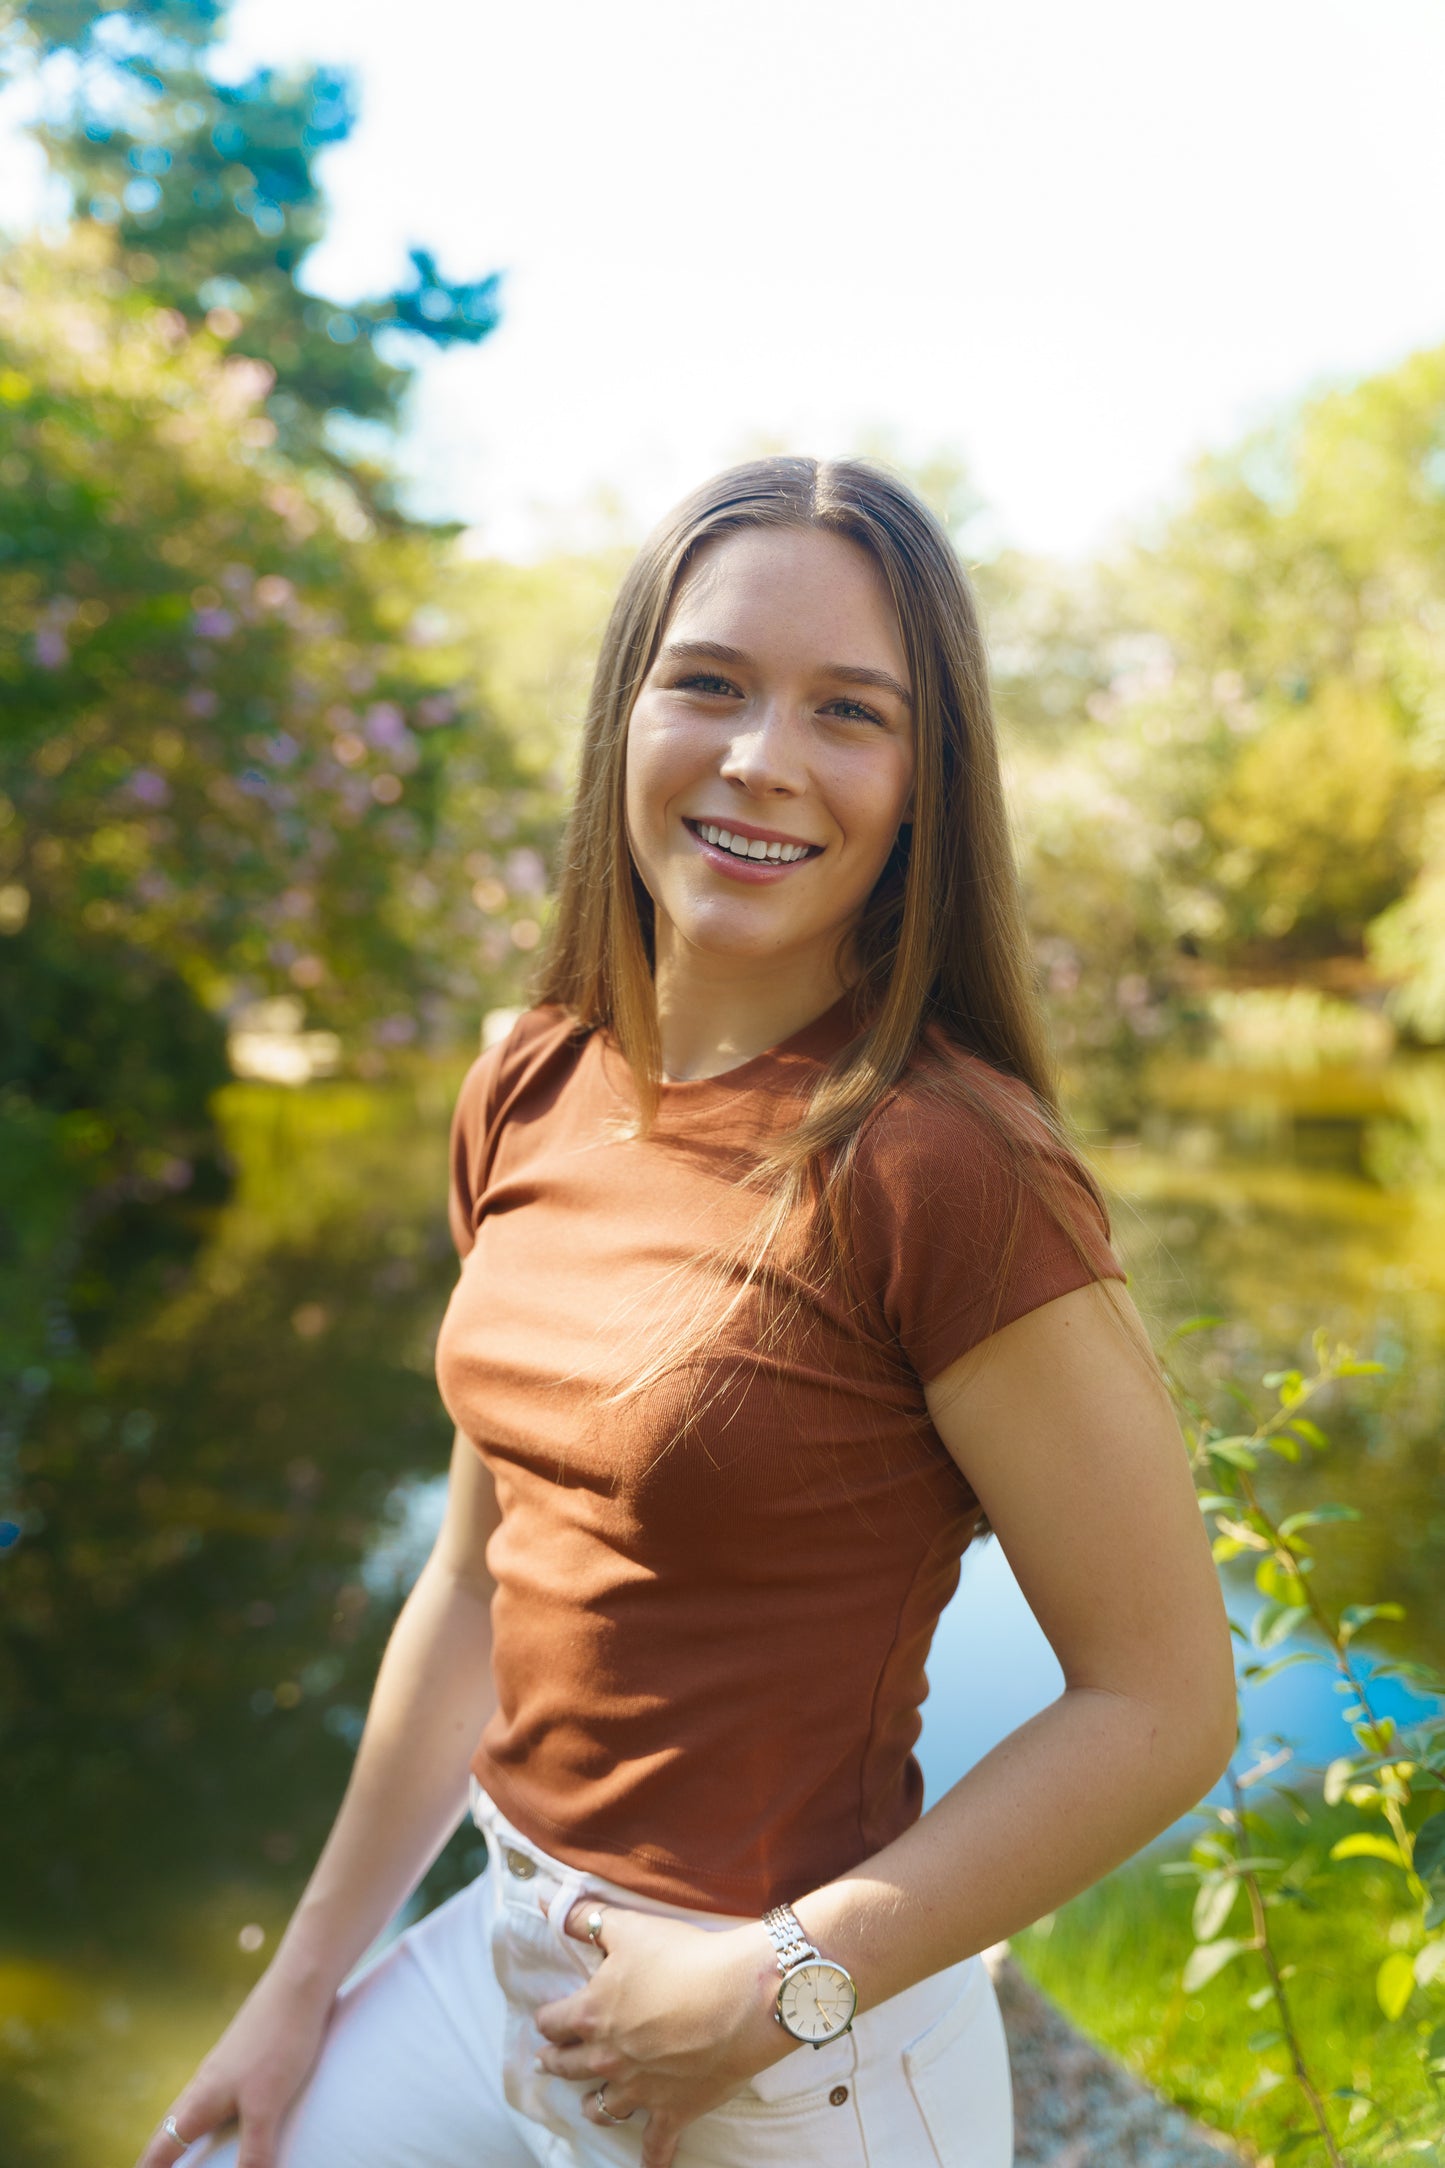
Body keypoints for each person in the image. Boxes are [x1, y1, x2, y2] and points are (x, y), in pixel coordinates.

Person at [141, 457, 1236, 2168]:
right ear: (626, 713)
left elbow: (1164, 1702)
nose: (760, 759)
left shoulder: (943, 1166)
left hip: (796, 2067)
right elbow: (471, 1581)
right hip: (500, 1965)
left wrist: (779, 1984)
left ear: (921, 785)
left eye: (847, 712)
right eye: (708, 682)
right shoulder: (528, 1075)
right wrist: (299, 1984)